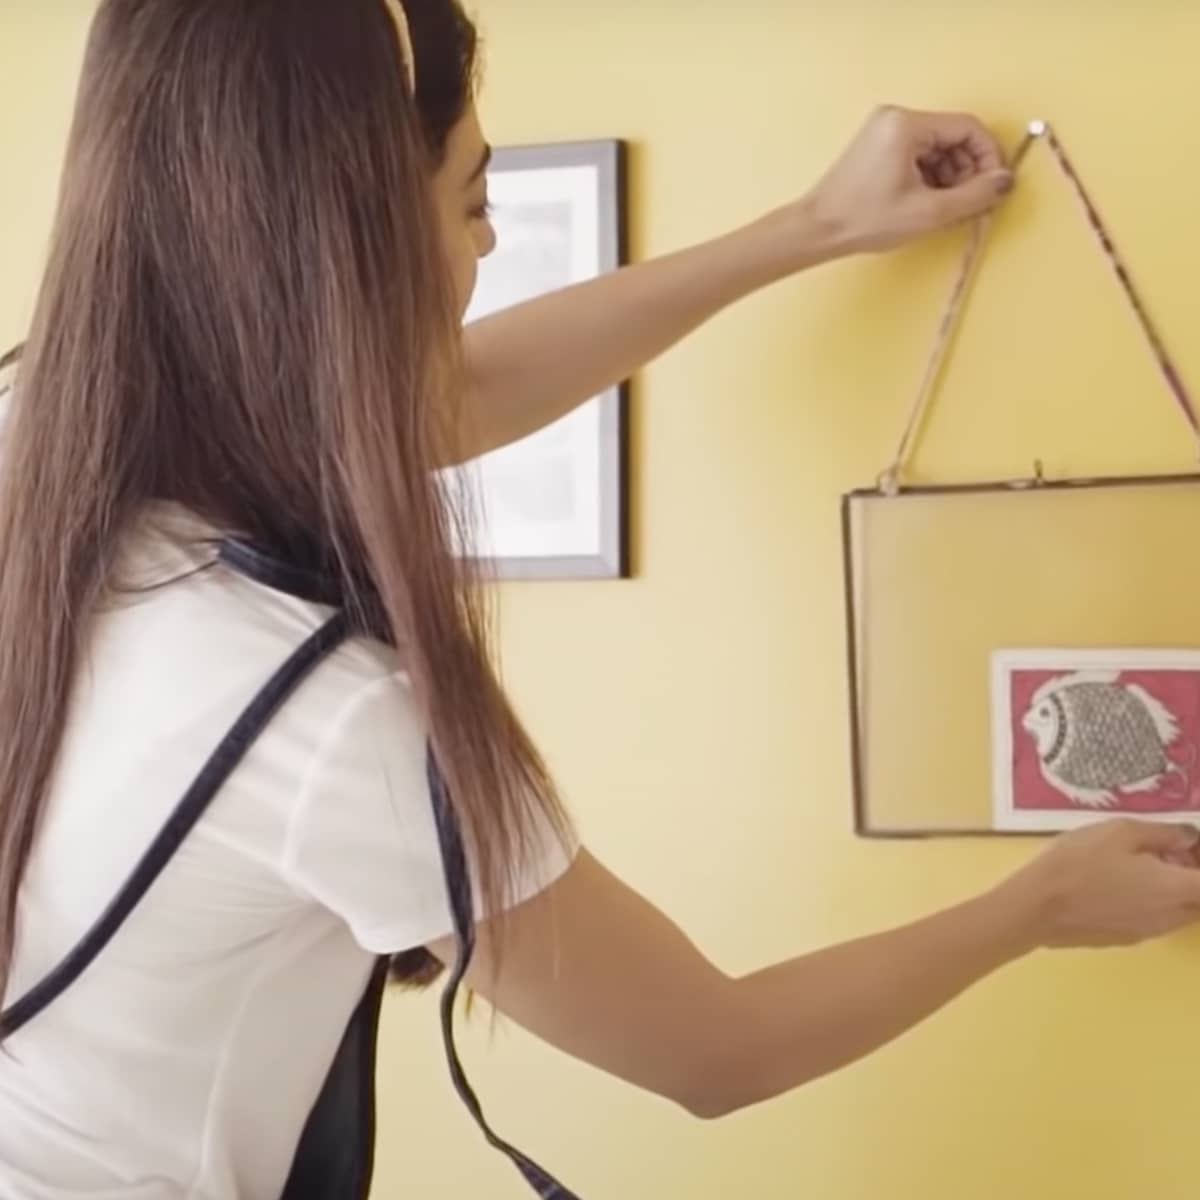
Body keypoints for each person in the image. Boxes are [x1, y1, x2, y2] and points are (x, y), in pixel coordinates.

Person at [3, 1, 1200, 1197]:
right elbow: (718, 1049)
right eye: (475, 200)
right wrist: (1039, 903)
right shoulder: (327, 728)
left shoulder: (40, 440)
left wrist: (820, 224)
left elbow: (434, 397)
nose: (490, 242)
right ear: (347, 244)